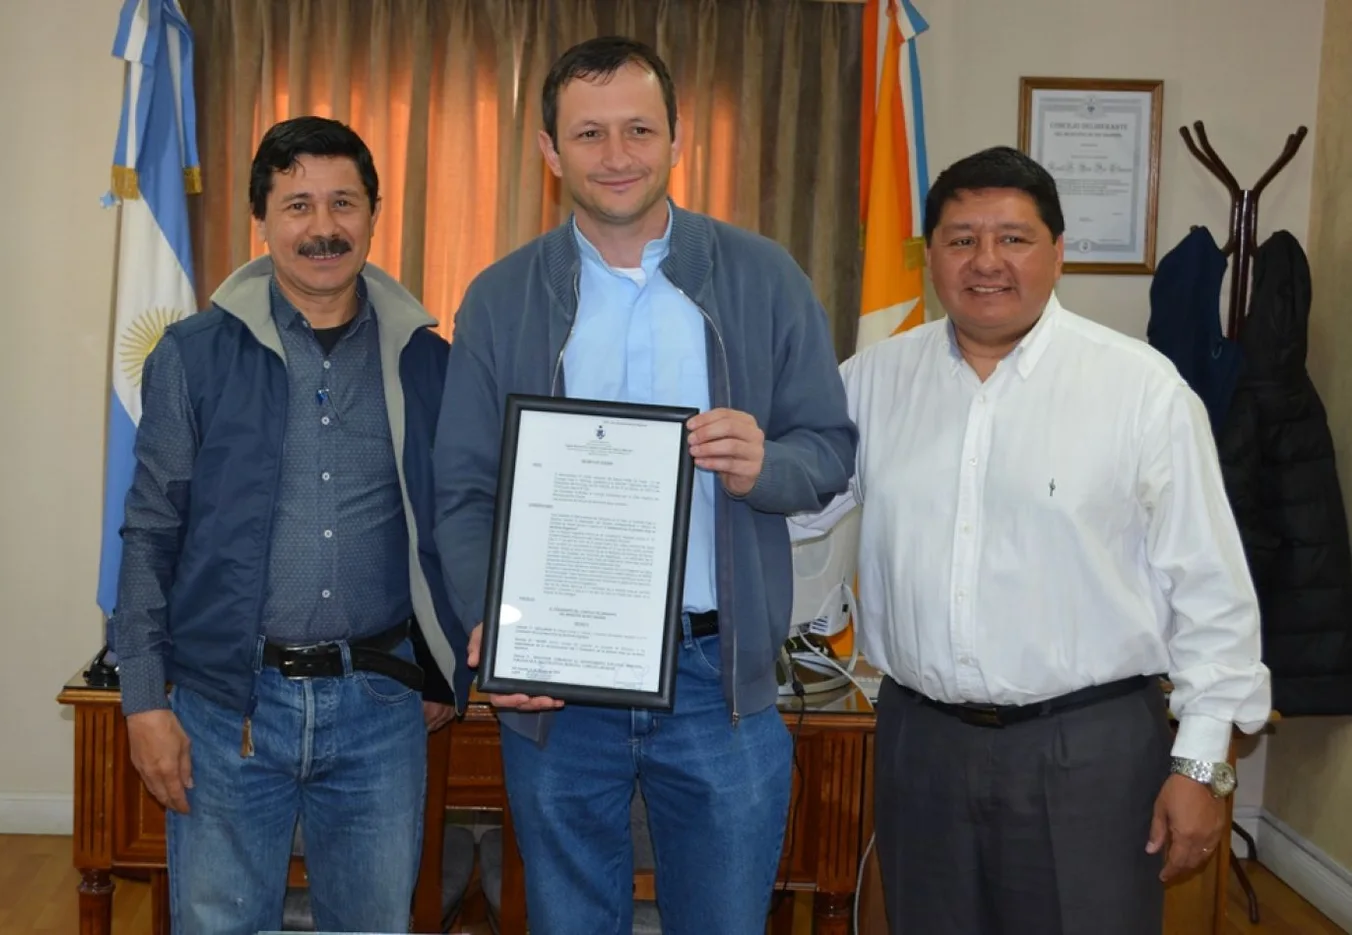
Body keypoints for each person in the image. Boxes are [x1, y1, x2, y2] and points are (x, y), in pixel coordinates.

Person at [431, 36, 857, 935]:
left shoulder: (765, 278)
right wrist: (493, 627)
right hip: (557, 686)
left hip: (717, 676)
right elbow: (464, 490)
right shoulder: (501, 297)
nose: (616, 156)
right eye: (589, 133)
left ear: (677, 140)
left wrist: (766, 464)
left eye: (638, 129)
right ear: (550, 151)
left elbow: (830, 449)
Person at [791, 145, 1272, 935]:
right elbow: (804, 520)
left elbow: (1210, 587)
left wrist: (1199, 762)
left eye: (1013, 238)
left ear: (1058, 251)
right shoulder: (867, 382)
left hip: (1089, 752)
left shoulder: (1141, 390)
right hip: (922, 745)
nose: (987, 262)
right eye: (960, 238)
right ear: (930, 256)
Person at [110, 115, 472, 935]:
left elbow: (458, 516)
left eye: (343, 203)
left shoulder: (427, 360)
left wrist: (443, 664)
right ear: (262, 221)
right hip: (227, 706)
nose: (323, 228)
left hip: (380, 708)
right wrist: (142, 701)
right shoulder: (194, 356)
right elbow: (150, 531)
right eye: (298, 204)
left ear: (374, 214)